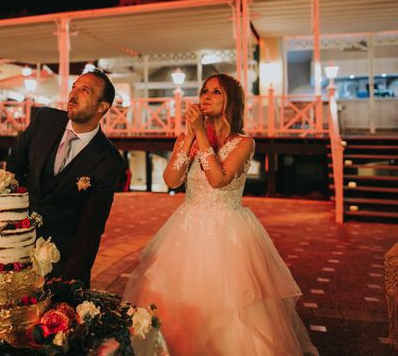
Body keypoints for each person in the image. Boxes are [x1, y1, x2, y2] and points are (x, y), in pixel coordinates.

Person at [123, 74, 318, 356]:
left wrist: (200, 134)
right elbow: (172, 181)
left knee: (227, 309)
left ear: (231, 101)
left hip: (227, 233)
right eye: (204, 91)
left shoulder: (243, 143)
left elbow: (217, 179)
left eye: (216, 92)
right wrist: (189, 137)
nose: (207, 96)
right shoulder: (187, 137)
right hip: (185, 229)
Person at [6, 69, 125, 287]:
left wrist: (73, 277)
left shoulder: (108, 160)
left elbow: (92, 224)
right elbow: (15, 165)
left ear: (102, 107)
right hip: (15, 245)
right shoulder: (45, 120)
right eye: (74, 87)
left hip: (60, 260)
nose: (74, 94)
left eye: (84, 90)